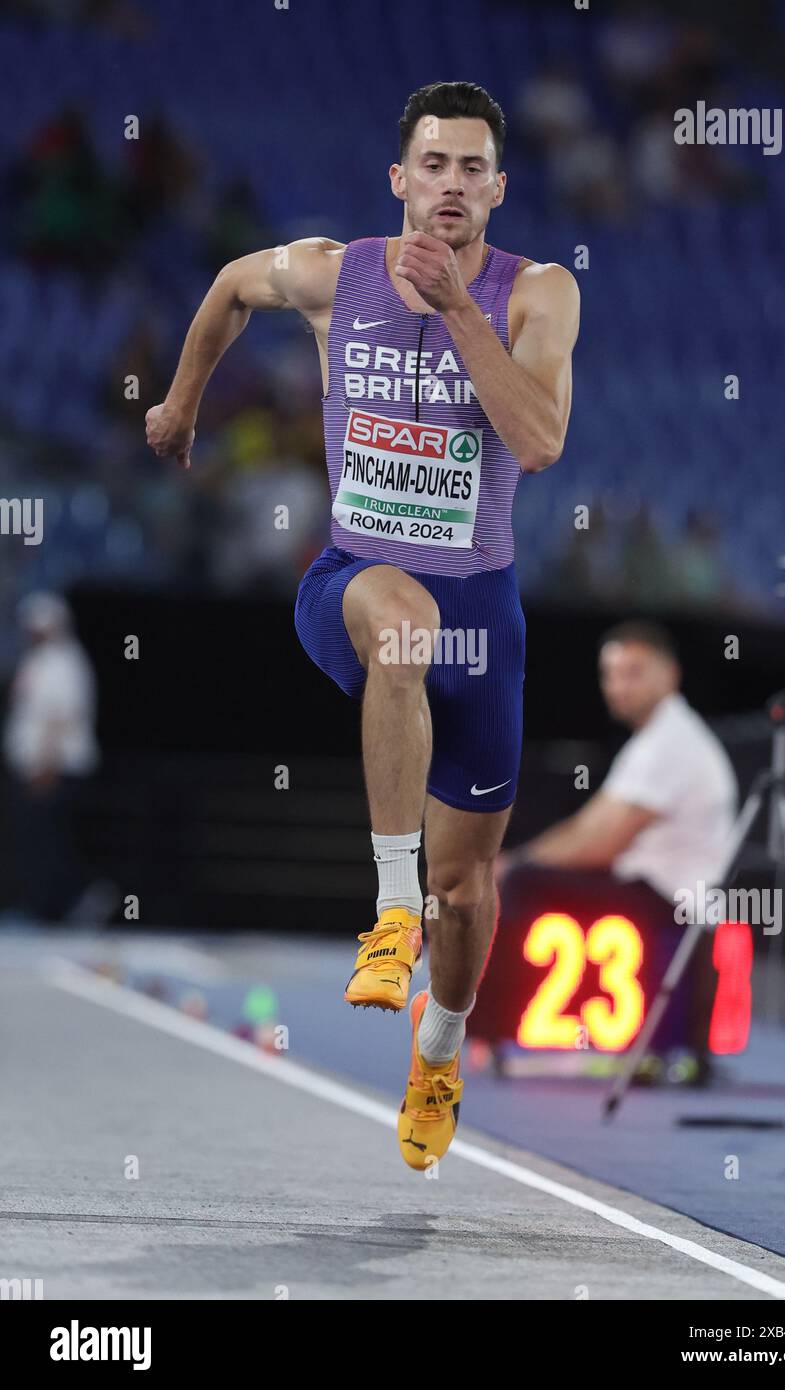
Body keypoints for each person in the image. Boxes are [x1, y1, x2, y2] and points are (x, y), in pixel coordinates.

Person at [145, 81, 581, 1170]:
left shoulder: (537, 292)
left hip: (484, 612)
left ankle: (438, 1050)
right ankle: (388, 917)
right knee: (400, 626)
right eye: (432, 164)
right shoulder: (334, 273)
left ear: (497, 187)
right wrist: (181, 403)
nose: (450, 185)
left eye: (471, 168)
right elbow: (228, 288)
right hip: (355, 576)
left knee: (468, 893)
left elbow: (534, 441)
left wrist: (457, 311)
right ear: (400, 178)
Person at [497, 620, 739, 1078]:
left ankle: (502, 1034)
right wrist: (516, 860)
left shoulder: (672, 742)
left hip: (672, 904)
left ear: (669, 676)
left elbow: (601, 842)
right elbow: (589, 826)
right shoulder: (656, 739)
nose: (618, 686)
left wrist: (515, 865)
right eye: (610, 674)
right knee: (523, 871)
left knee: (524, 882)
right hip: (654, 890)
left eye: (633, 672)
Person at [3, 592, 99, 921]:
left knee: (47, 843)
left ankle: (58, 904)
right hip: (35, 767)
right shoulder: (39, 660)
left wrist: (45, 765)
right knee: (36, 841)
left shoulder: (64, 662)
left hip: (53, 768)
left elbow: (59, 718)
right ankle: (53, 904)